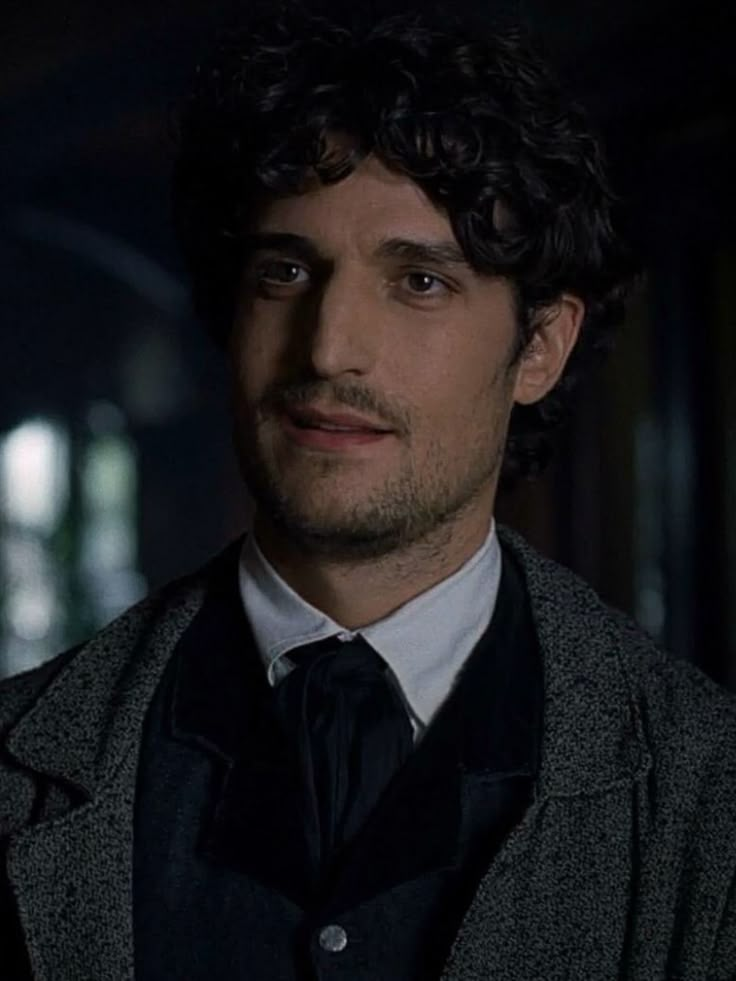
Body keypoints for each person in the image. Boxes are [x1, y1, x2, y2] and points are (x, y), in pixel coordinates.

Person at [2, 3, 736, 978]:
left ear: (540, 346)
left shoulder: (707, 789)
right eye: (287, 270)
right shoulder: (16, 761)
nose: (329, 347)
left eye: (419, 282)